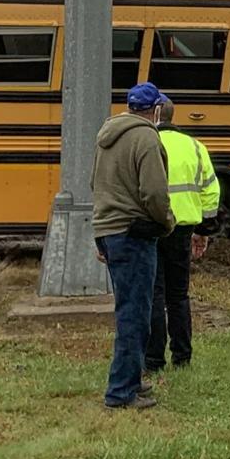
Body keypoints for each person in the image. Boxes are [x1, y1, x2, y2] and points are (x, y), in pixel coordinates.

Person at [92, 82, 176, 410]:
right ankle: (120, 392)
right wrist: (166, 222)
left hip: (109, 229)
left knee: (130, 309)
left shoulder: (106, 135)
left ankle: (131, 379)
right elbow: (154, 192)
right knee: (135, 314)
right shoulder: (146, 137)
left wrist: (101, 234)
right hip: (134, 234)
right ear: (155, 109)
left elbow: (94, 183)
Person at [146, 98, 221, 375]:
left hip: (152, 227)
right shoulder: (195, 146)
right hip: (183, 230)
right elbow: (211, 192)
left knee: (154, 294)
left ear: (154, 115)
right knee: (178, 295)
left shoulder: (146, 144)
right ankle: (182, 357)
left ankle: (153, 360)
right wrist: (203, 232)